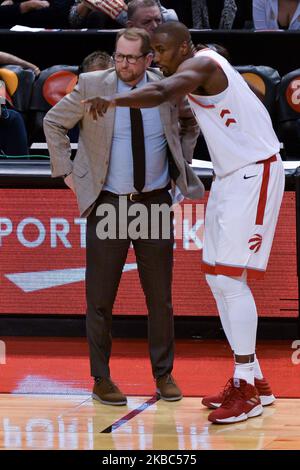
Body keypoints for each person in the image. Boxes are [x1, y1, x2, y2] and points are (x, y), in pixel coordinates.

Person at [83, 21, 285, 423]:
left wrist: (114, 100)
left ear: (185, 47)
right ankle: (255, 380)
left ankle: (244, 385)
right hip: (229, 176)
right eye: (152, 50)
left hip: (255, 172)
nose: (157, 57)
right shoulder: (189, 68)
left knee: (229, 279)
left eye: (162, 49)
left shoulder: (202, 65)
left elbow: (160, 91)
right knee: (216, 278)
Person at [44, 27, 203, 406]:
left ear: (149, 59)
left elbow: (189, 122)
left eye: (133, 57)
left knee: (159, 298)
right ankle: (101, 378)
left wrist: (180, 166)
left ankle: (163, 374)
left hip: (153, 202)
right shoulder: (91, 84)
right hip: (109, 203)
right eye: (119, 56)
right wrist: (67, 173)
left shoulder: (165, 87)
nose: (124, 64)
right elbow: (53, 122)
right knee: (99, 298)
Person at [69, 0, 177, 30]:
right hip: (100, 40)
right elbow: (73, 21)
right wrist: (87, 3)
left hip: (137, 38)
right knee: (97, 15)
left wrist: (120, 11)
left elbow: (159, 20)